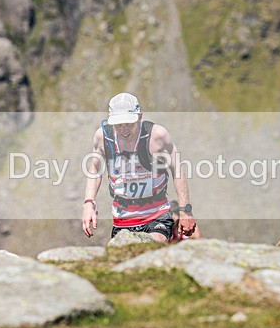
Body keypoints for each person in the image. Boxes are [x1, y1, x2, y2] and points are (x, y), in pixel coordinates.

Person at [82, 92, 196, 243]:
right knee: (121, 258)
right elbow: (95, 170)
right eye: (118, 125)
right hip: (122, 218)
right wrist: (89, 203)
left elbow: (177, 170)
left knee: (150, 247)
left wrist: (185, 211)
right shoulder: (103, 137)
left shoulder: (157, 136)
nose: (124, 130)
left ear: (140, 116)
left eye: (129, 124)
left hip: (156, 215)